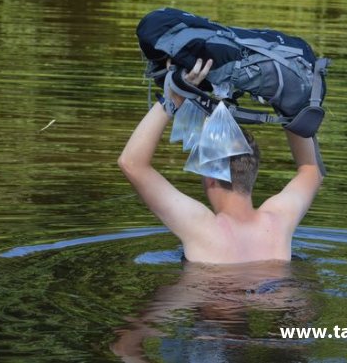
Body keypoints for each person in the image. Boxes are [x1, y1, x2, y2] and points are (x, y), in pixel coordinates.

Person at [118, 59, 323, 264]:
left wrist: (174, 97)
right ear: (252, 173)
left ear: (211, 178)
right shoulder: (278, 221)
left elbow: (132, 164)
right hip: (279, 283)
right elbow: (311, 171)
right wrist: (288, 99)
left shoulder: (202, 227)